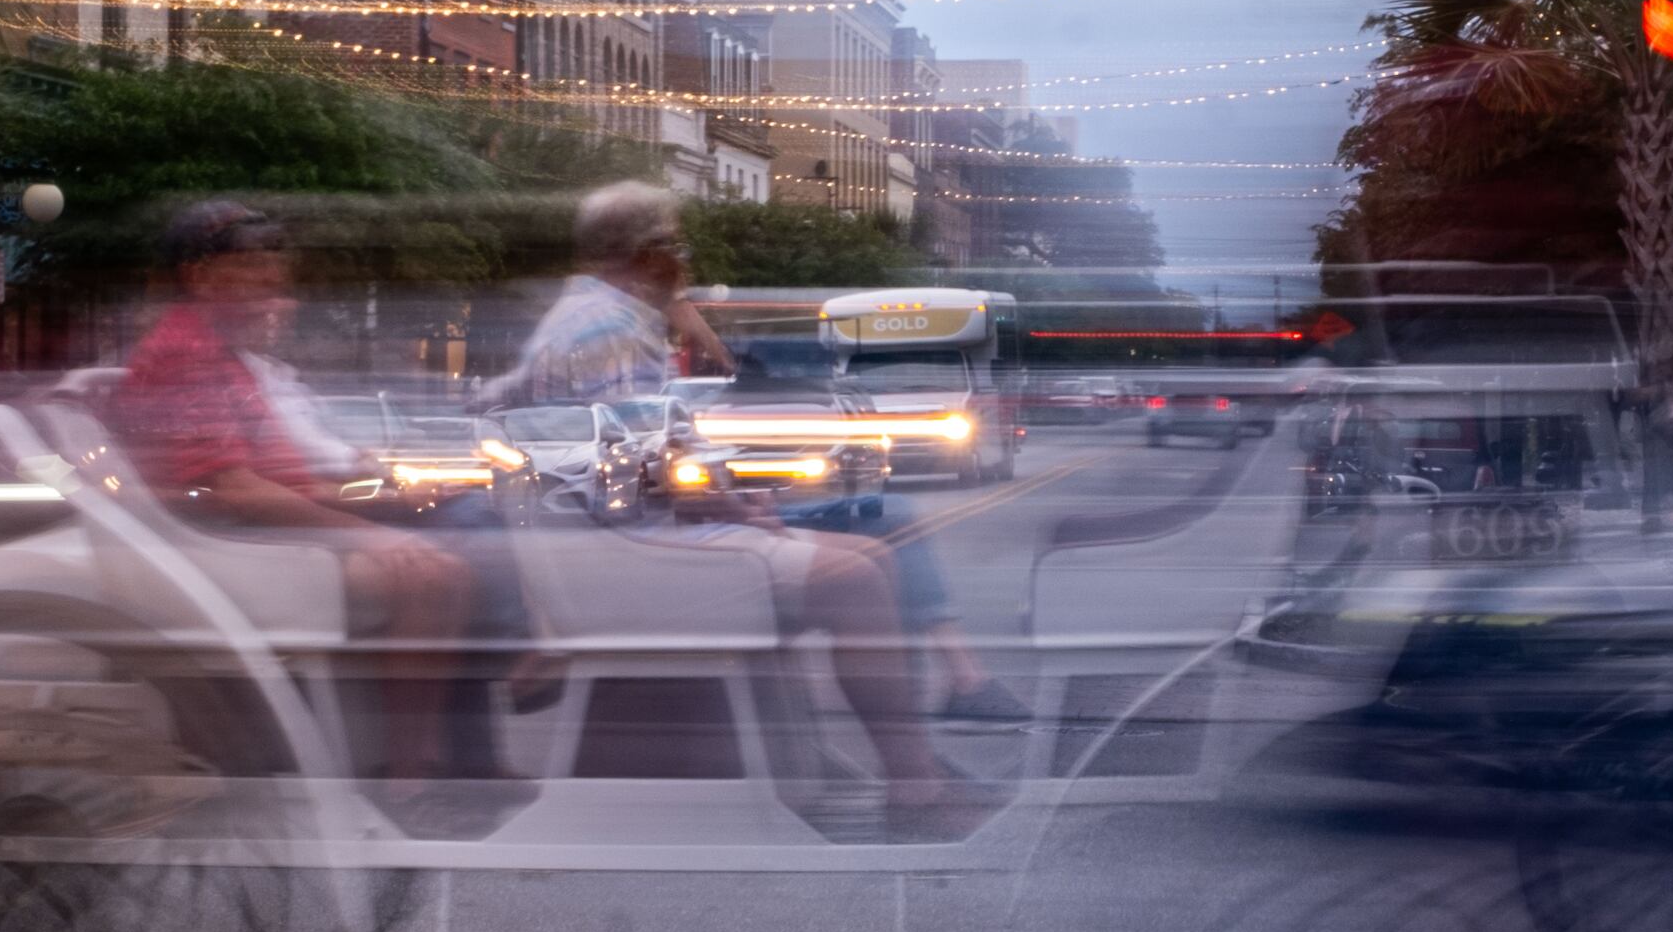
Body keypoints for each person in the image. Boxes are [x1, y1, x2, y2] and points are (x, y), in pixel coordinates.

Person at [487, 182, 1009, 830]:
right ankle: (916, 785)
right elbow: (633, 474)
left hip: (616, 545)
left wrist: (734, 500)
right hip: (627, 558)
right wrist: (737, 513)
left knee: (873, 548)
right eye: (677, 242)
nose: (687, 258)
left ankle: (904, 770)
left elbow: (647, 453)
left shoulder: (599, 318)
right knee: (855, 576)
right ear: (648, 253)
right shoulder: (606, 333)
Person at [102, 200, 477, 807]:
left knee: (457, 545)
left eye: (276, 262)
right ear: (200, 276)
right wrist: (370, 532)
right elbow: (237, 490)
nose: (275, 279)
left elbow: (279, 480)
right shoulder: (184, 352)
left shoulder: (221, 352)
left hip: (251, 532)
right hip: (221, 544)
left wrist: (378, 502)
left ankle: (431, 759)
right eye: (253, 265)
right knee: (438, 574)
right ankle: (410, 774)